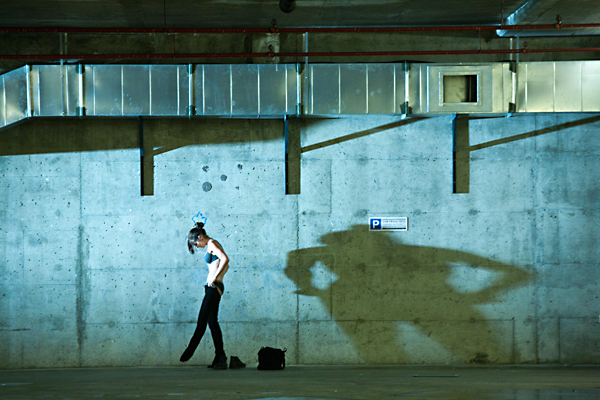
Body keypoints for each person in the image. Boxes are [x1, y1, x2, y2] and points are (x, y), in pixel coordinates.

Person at [180, 222, 230, 369]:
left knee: (202, 320)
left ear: (200, 237)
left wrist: (214, 278)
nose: (197, 247)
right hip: (211, 287)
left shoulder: (212, 243)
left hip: (214, 287)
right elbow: (224, 264)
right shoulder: (211, 245)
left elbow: (226, 260)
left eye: (196, 244)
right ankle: (220, 357)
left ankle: (189, 351)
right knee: (212, 323)